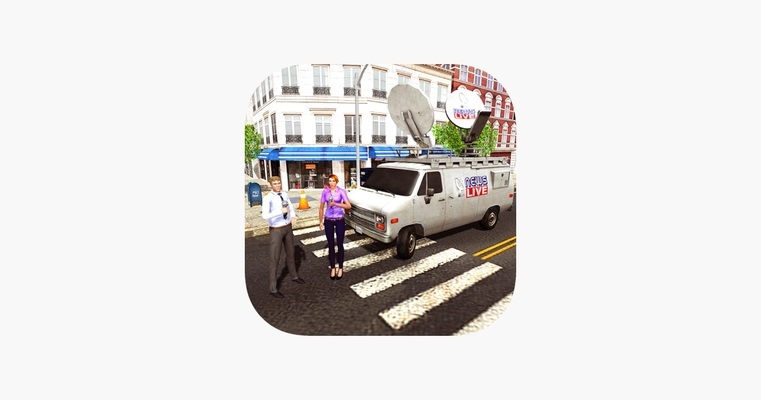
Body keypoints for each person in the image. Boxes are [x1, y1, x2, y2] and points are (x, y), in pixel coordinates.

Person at [262, 176, 305, 298]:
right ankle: (273, 289)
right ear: (271, 185)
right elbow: (265, 216)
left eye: (279, 183)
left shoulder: (284, 194)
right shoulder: (268, 198)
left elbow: (290, 207)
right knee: (274, 259)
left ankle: (294, 276)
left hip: (287, 227)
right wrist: (280, 211)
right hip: (276, 230)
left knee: (291, 254)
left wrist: (293, 216)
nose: (277, 185)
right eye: (275, 184)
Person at [318, 174, 351, 280]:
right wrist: (320, 221)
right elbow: (321, 208)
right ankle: (333, 267)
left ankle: (340, 267)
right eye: (330, 181)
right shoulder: (325, 192)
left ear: (336, 182)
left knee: (340, 244)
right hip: (328, 220)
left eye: (333, 181)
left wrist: (336, 204)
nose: (331, 183)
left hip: (339, 219)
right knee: (331, 244)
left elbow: (348, 205)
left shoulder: (341, 191)